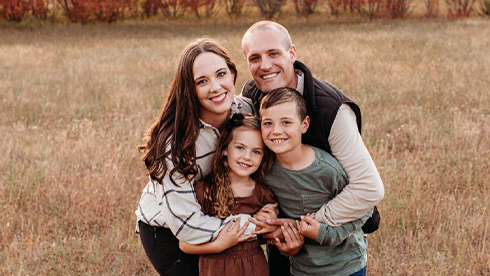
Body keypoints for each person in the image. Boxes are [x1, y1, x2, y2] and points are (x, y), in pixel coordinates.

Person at [241, 21, 384, 275]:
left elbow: (368, 187)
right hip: (281, 237)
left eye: (273, 53)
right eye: (255, 58)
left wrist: (304, 225)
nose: (264, 65)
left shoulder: (332, 109)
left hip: (331, 241)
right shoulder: (252, 95)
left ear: (292, 54)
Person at [135, 38, 259, 276]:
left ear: (232, 74)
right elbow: (186, 225)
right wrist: (254, 226)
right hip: (169, 231)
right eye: (202, 81)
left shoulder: (245, 111)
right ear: (189, 89)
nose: (215, 87)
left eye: (221, 74)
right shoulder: (175, 145)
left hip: (217, 217)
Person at [259, 87, 373, 276]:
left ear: (304, 125)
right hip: (302, 268)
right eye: (267, 123)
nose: (276, 131)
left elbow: (364, 209)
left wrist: (325, 234)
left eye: (286, 122)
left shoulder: (327, 170)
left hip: (345, 266)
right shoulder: (266, 170)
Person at [179, 114, 279, 276]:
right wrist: (219, 245)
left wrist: (270, 225)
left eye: (256, 151)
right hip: (215, 268)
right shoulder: (204, 191)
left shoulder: (264, 196)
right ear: (225, 149)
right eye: (240, 148)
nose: (247, 157)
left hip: (254, 269)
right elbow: (184, 244)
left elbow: (268, 237)